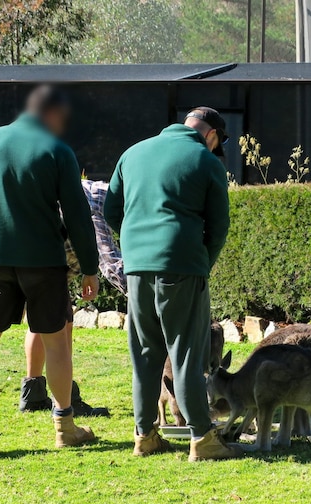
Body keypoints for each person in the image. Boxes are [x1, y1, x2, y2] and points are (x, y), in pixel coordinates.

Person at [0, 85, 100, 456]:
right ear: (54, 114)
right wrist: (90, 268)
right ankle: (65, 427)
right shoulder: (58, 151)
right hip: (45, 263)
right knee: (56, 341)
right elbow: (78, 215)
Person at [105, 106, 240, 461]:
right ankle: (202, 438)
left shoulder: (132, 153)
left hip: (137, 269)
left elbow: (112, 211)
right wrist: (201, 263)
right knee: (186, 353)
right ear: (212, 135)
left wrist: (136, 248)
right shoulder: (206, 161)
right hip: (183, 268)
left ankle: (145, 435)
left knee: (145, 354)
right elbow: (219, 227)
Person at [20, 180, 124, 417]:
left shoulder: (97, 191)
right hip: (57, 260)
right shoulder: (102, 202)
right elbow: (110, 261)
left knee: (41, 320)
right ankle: (66, 401)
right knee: (62, 326)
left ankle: (33, 394)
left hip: (38, 251)